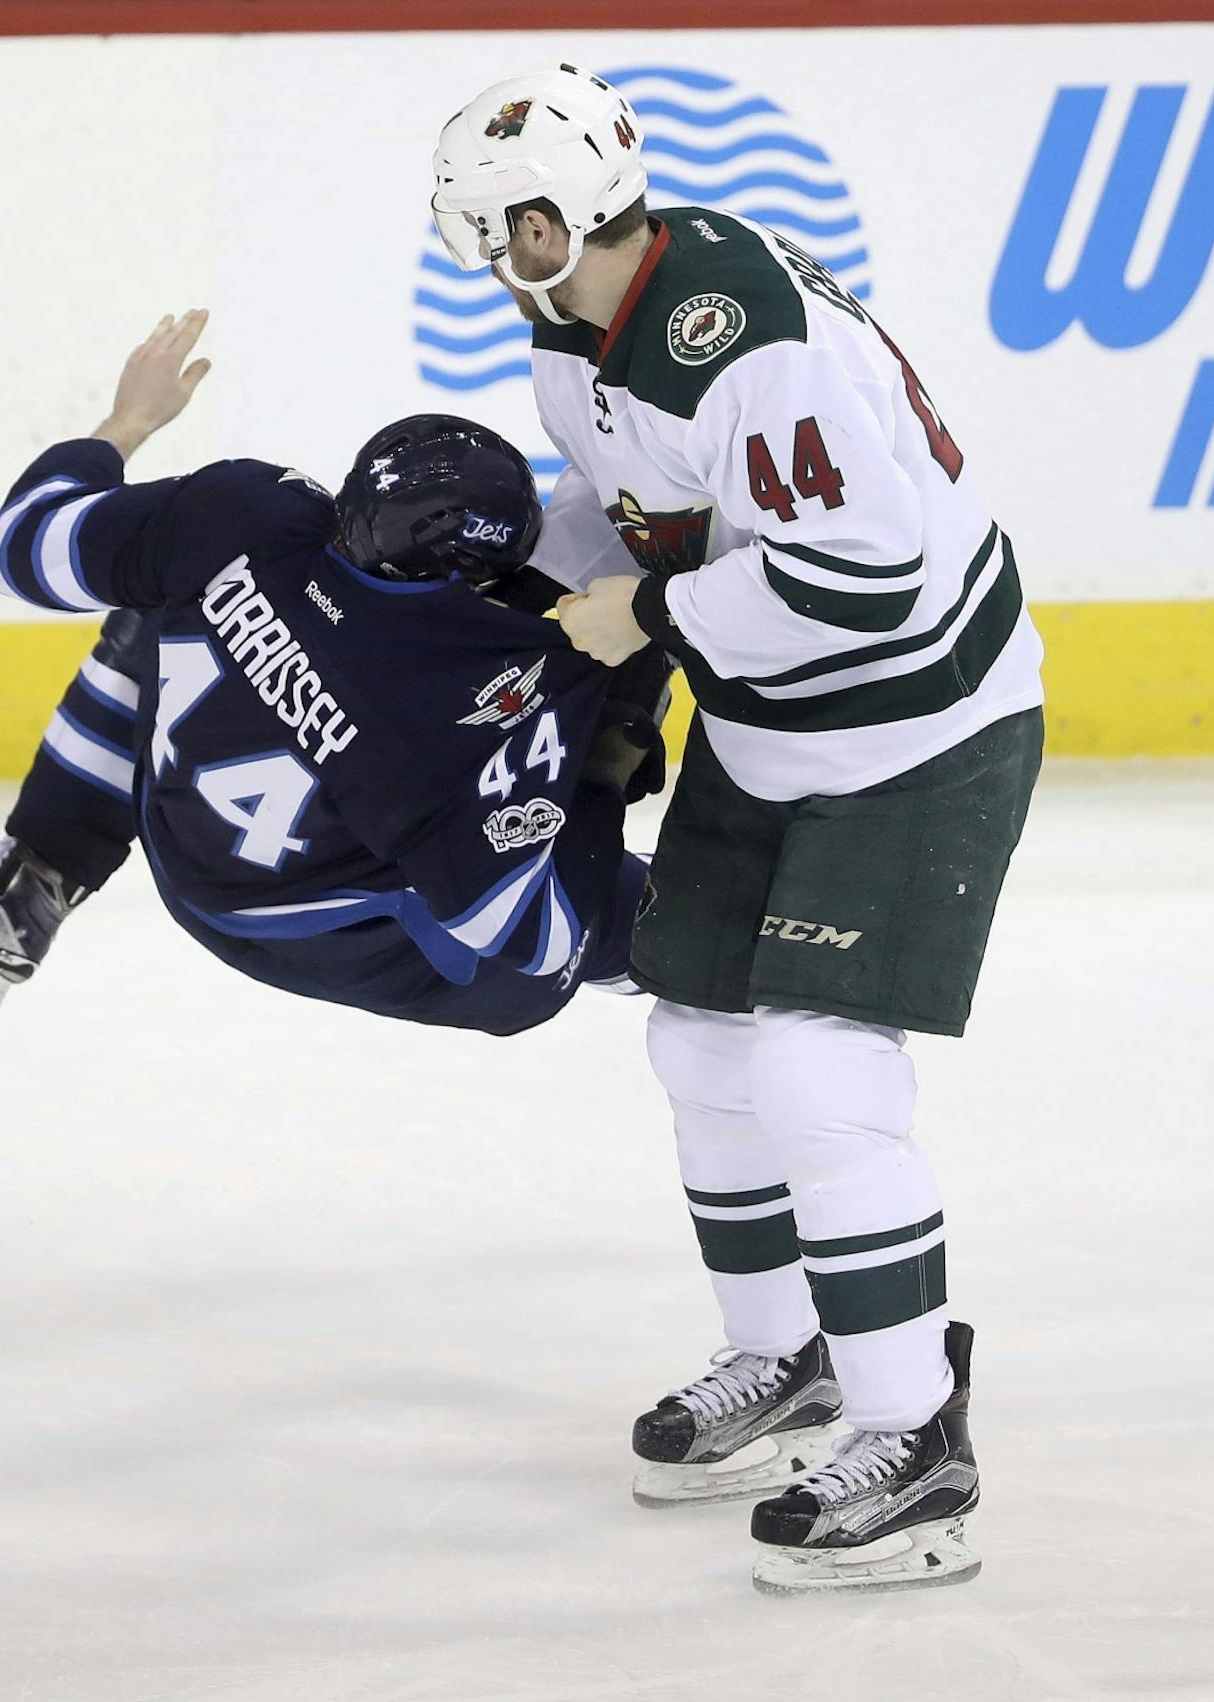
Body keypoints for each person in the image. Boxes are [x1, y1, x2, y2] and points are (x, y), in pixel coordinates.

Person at [429, 65, 1045, 1592]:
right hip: (770, 720)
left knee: (819, 1066)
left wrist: (639, 615)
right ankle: (790, 1362)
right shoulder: (581, 328)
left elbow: (870, 578)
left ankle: (915, 1435)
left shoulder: (748, 341)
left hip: (919, 724)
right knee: (699, 1037)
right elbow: (638, 506)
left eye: (504, 231)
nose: (497, 261)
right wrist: (513, 574)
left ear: (552, 215)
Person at [0, 312, 665, 1047]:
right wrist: (604, 760)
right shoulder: (444, 711)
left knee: (162, 587)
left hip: (189, 853)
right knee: (686, 930)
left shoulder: (241, 516)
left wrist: (129, 421)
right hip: (353, 938)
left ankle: (37, 874)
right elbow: (527, 933)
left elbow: (16, 547)